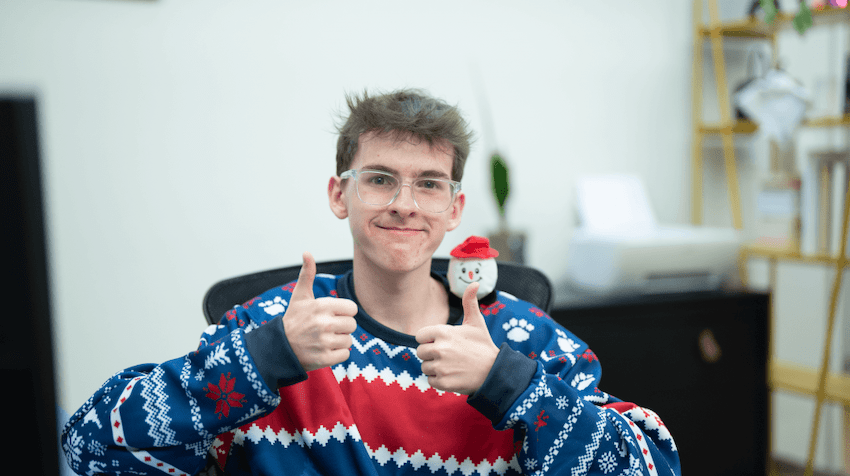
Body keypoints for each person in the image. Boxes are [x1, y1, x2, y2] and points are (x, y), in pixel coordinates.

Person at [61, 89, 681, 475]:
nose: (405, 204)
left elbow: (649, 466)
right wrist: (264, 358)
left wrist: (509, 382)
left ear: (455, 210)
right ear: (341, 195)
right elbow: (92, 448)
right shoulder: (267, 327)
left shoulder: (520, 336)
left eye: (429, 184)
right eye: (380, 179)